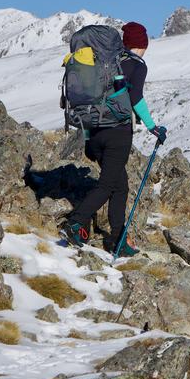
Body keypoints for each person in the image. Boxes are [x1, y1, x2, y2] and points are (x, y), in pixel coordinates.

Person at [62, 21, 166, 256]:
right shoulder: (136, 65)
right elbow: (135, 97)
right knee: (108, 185)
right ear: (142, 45)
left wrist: (88, 138)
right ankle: (76, 223)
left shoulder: (105, 62)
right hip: (117, 134)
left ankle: (116, 240)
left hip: (95, 132)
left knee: (121, 186)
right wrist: (152, 127)